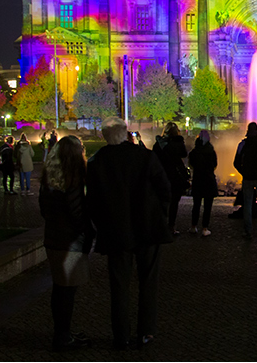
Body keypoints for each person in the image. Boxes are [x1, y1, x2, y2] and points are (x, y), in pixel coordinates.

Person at [87, 116, 171, 350]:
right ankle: (146, 332)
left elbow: (92, 201)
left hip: (116, 232)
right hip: (148, 228)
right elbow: (165, 189)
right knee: (148, 282)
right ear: (126, 134)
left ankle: (121, 335)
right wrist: (159, 214)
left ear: (105, 136)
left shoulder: (97, 162)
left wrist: (102, 224)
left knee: (119, 285)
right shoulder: (145, 157)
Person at [39, 135, 95, 351]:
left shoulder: (50, 176)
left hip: (53, 238)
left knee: (60, 288)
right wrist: (87, 231)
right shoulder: (73, 177)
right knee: (67, 290)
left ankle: (63, 332)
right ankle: (62, 336)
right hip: (70, 241)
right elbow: (77, 212)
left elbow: (44, 209)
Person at [155, 122, 189, 234]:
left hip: (161, 175)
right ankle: (171, 226)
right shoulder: (178, 143)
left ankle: (160, 225)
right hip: (175, 176)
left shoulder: (158, 144)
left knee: (162, 202)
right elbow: (184, 154)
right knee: (174, 203)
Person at [187, 130, 218, 236]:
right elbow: (214, 164)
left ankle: (193, 226)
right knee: (207, 206)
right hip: (209, 179)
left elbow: (191, 164)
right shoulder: (211, 151)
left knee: (196, 205)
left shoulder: (194, 152)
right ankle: (205, 228)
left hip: (198, 179)